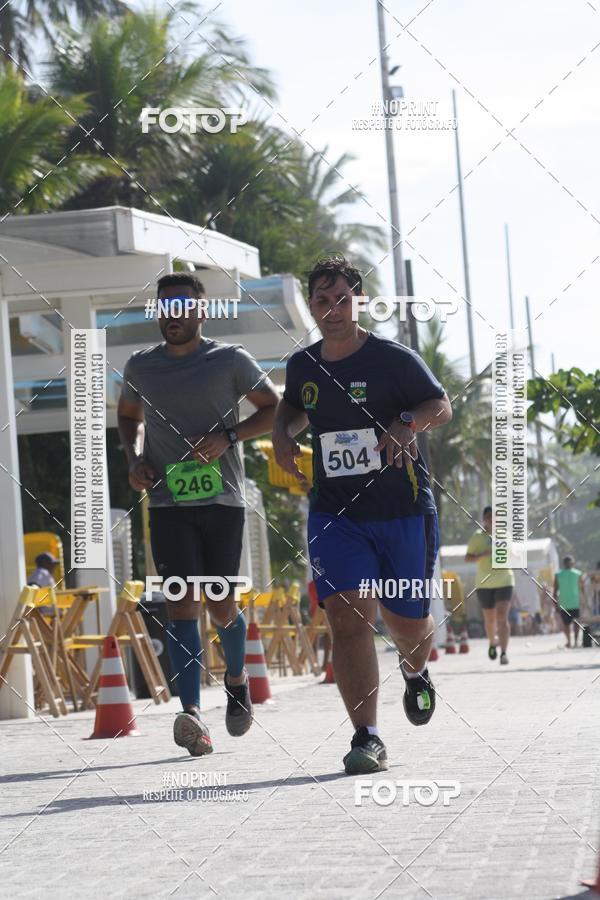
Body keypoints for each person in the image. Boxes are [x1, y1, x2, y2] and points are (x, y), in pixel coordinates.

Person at [272, 256, 452, 775]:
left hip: (402, 510)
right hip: (335, 513)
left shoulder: (393, 359)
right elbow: (290, 407)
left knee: (405, 621)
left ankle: (415, 672)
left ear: (359, 302)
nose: (332, 310)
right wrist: (282, 435)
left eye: (342, 300)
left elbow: (440, 407)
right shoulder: (303, 365)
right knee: (348, 618)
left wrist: (404, 423)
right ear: (311, 305)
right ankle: (366, 737)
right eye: (322, 301)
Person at [118, 272, 278, 756]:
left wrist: (229, 437)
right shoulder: (141, 366)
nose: (173, 315)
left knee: (220, 602)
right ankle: (190, 714)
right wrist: (134, 458)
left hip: (222, 500)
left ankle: (235, 679)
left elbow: (273, 408)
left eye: (182, 306)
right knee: (180, 601)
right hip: (168, 503)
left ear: (201, 312)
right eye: (164, 306)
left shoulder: (230, 359)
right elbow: (128, 416)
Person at [465, 506, 515, 664]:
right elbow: (468, 558)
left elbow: (512, 554)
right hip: (484, 583)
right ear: (484, 519)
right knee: (490, 620)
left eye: (495, 517)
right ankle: (492, 642)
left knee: (502, 617)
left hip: (504, 580)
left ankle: (504, 653)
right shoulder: (477, 536)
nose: (492, 519)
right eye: (488, 517)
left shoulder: (505, 535)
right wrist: (482, 555)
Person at [553, 555, 584, 648]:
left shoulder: (558, 574)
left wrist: (555, 604)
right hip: (575, 603)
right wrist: (584, 602)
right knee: (576, 623)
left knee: (566, 624)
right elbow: (582, 589)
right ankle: (575, 642)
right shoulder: (578, 573)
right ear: (572, 563)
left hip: (564, 603)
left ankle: (569, 642)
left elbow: (555, 590)